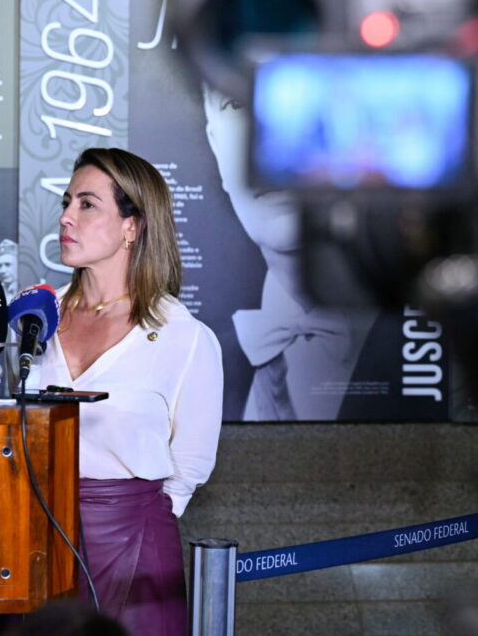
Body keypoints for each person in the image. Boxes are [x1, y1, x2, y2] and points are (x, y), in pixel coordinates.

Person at [23, 147, 223, 634]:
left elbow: (191, 465)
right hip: (33, 534)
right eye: (66, 202)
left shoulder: (183, 336)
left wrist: (135, 523)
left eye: (87, 204)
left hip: (136, 545)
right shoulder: (34, 319)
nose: (66, 217)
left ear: (131, 226)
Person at [201, 86, 377, 420]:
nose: (268, 144)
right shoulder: (201, 367)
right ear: (215, 143)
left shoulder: (441, 345)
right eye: (236, 103)